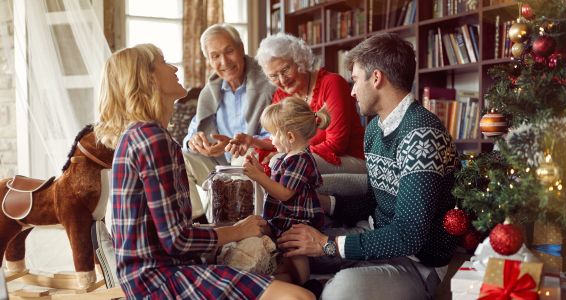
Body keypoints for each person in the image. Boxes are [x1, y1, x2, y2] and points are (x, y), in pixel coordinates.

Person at [94, 44, 313, 300]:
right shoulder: (152, 139)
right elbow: (177, 240)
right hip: (158, 279)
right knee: (299, 297)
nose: (174, 68)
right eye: (164, 62)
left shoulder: (139, 134)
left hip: (149, 274)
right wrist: (239, 230)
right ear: (147, 78)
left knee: (278, 278)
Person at [277, 32, 460, 300]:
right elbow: (375, 201)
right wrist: (324, 203)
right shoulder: (375, 128)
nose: (351, 91)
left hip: (418, 261)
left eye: (354, 80)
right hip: (374, 232)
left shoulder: (422, 134)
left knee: (340, 290)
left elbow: (410, 235)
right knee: (292, 252)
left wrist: (328, 245)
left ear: (376, 78)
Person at [228, 32, 366, 175]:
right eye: (274, 76)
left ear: (300, 60)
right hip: (305, 155)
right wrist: (252, 141)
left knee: (282, 163)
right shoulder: (281, 95)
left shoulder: (332, 83)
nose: (282, 80)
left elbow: (336, 145)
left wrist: (286, 156)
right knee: (243, 160)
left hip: (346, 158)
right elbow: (281, 140)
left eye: (285, 70)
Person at [182, 23, 276, 219]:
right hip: (219, 168)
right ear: (209, 60)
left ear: (241, 49)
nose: (224, 61)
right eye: (215, 56)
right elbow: (193, 132)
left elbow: (277, 134)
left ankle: (248, 225)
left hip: (252, 162)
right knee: (180, 157)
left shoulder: (267, 82)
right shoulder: (210, 91)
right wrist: (194, 142)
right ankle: (198, 223)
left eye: (229, 51)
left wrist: (237, 144)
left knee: (243, 156)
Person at [242, 97, 329, 286]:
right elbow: (276, 183)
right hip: (283, 217)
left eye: (273, 134)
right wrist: (260, 169)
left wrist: (259, 177)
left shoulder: (301, 159)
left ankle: (306, 284)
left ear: (290, 137)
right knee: (280, 249)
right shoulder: (286, 157)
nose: (270, 140)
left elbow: (285, 193)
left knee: (295, 252)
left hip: (297, 220)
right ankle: (282, 275)